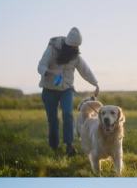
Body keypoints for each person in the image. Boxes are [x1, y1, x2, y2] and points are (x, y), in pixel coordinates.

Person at [37, 27, 100, 156]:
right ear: (67, 44)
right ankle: (54, 146)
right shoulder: (52, 49)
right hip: (49, 90)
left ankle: (69, 146)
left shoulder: (75, 55)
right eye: (72, 47)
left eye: (76, 47)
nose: (74, 50)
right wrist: (48, 72)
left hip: (67, 89)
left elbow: (85, 70)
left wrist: (96, 84)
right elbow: (41, 65)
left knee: (68, 114)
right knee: (53, 119)